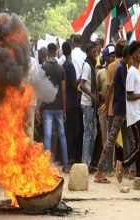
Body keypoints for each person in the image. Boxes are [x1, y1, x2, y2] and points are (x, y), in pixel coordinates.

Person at [116, 41, 140, 182]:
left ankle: (138, 174)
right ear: (132, 55)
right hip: (134, 114)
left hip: (139, 112)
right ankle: (123, 164)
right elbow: (129, 95)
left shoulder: (137, 71)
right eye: (139, 52)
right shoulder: (131, 72)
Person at [94, 46, 130, 183]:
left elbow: (110, 88)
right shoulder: (120, 68)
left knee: (128, 140)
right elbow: (116, 88)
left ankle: (128, 169)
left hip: (118, 109)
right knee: (112, 141)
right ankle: (102, 170)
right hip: (119, 110)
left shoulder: (120, 67)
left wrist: (105, 104)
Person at [40, 43, 69, 173]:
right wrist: (64, 109)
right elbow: (63, 92)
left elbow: (41, 89)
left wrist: (39, 107)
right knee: (62, 135)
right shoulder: (61, 69)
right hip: (58, 107)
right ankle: (66, 165)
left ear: (48, 52)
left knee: (47, 135)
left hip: (47, 106)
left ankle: (48, 165)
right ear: (56, 52)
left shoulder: (44, 68)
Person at [96, 45, 116, 175]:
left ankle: (112, 165)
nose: (113, 57)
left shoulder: (117, 69)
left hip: (114, 109)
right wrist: (101, 96)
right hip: (104, 108)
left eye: (114, 55)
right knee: (105, 139)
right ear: (106, 57)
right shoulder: (100, 73)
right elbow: (96, 91)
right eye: (111, 56)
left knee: (113, 139)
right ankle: (107, 166)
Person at [79, 43, 99, 168]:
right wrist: (92, 96)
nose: (95, 54)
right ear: (87, 53)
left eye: (96, 52)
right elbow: (81, 85)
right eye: (93, 52)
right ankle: (85, 162)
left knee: (93, 132)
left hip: (91, 104)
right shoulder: (87, 66)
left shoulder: (91, 65)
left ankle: (88, 161)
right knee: (88, 133)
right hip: (87, 104)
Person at [62, 41, 82, 164]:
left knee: (69, 130)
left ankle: (69, 156)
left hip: (68, 102)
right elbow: (75, 84)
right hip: (72, 102)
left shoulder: (64, 65)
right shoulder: (69, 66)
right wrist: (82, 77)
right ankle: (71, 156)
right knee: (74, 130)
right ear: (71, 49)